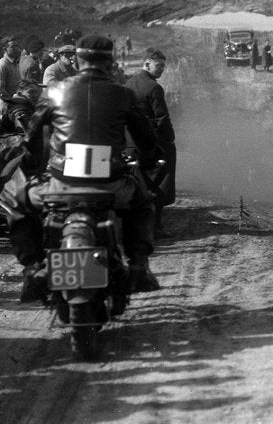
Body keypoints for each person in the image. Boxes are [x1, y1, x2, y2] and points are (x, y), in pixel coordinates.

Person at [4, 35, 161, 301]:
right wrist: (147, 160)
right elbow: (146, 140)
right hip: (110, 185)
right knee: (143, 203)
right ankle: (138, 266)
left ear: (77, 60)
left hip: (60, 184)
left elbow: (32, 139)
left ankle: (32, 269)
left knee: (11, 199)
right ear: (110, 63)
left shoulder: (54, 92)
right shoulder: (124, 94)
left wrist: (31, 169)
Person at [126, 48, 177, 234]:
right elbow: (162, 118)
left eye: (163, 66)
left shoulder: (129, 83)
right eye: (158, 65)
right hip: (151, 141)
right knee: (158, 183)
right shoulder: (154, 87)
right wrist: (170, 140)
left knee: (136, 183)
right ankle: (155, 227)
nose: (162, 69)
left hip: (130, 141)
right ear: (146, 64)